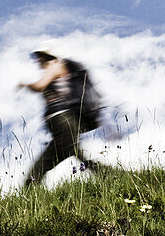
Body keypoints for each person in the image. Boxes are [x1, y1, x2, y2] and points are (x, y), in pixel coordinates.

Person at [19, 48, 111, 187]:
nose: (38, 60)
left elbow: (40, 86)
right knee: (71, 153)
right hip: (65, 122)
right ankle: (31, 188)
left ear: (46, 56)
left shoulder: (54, 65)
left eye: (39, 56)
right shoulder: (61, 70)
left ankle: (113, 175)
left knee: (49, 162)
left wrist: (25, 85)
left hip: (62, 119)